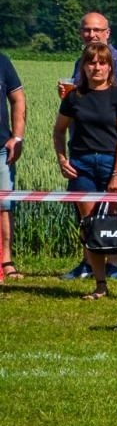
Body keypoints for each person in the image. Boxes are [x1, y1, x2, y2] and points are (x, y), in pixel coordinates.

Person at [52, 41, 117, 301]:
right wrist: (61, 158)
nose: (97, 68)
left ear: (109, 67)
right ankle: (100, 284)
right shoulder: (73, 97)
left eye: (102, 63)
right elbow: (59, 131)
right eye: (91, 63)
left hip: (111, 164)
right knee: (90, 227)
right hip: (81, 167)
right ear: (84, 67)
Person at [0, 50, 26, 283]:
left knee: (4, 205)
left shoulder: (2, 61)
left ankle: (5, 261)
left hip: (1, 147)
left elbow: (17, 98)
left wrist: (17, 137)